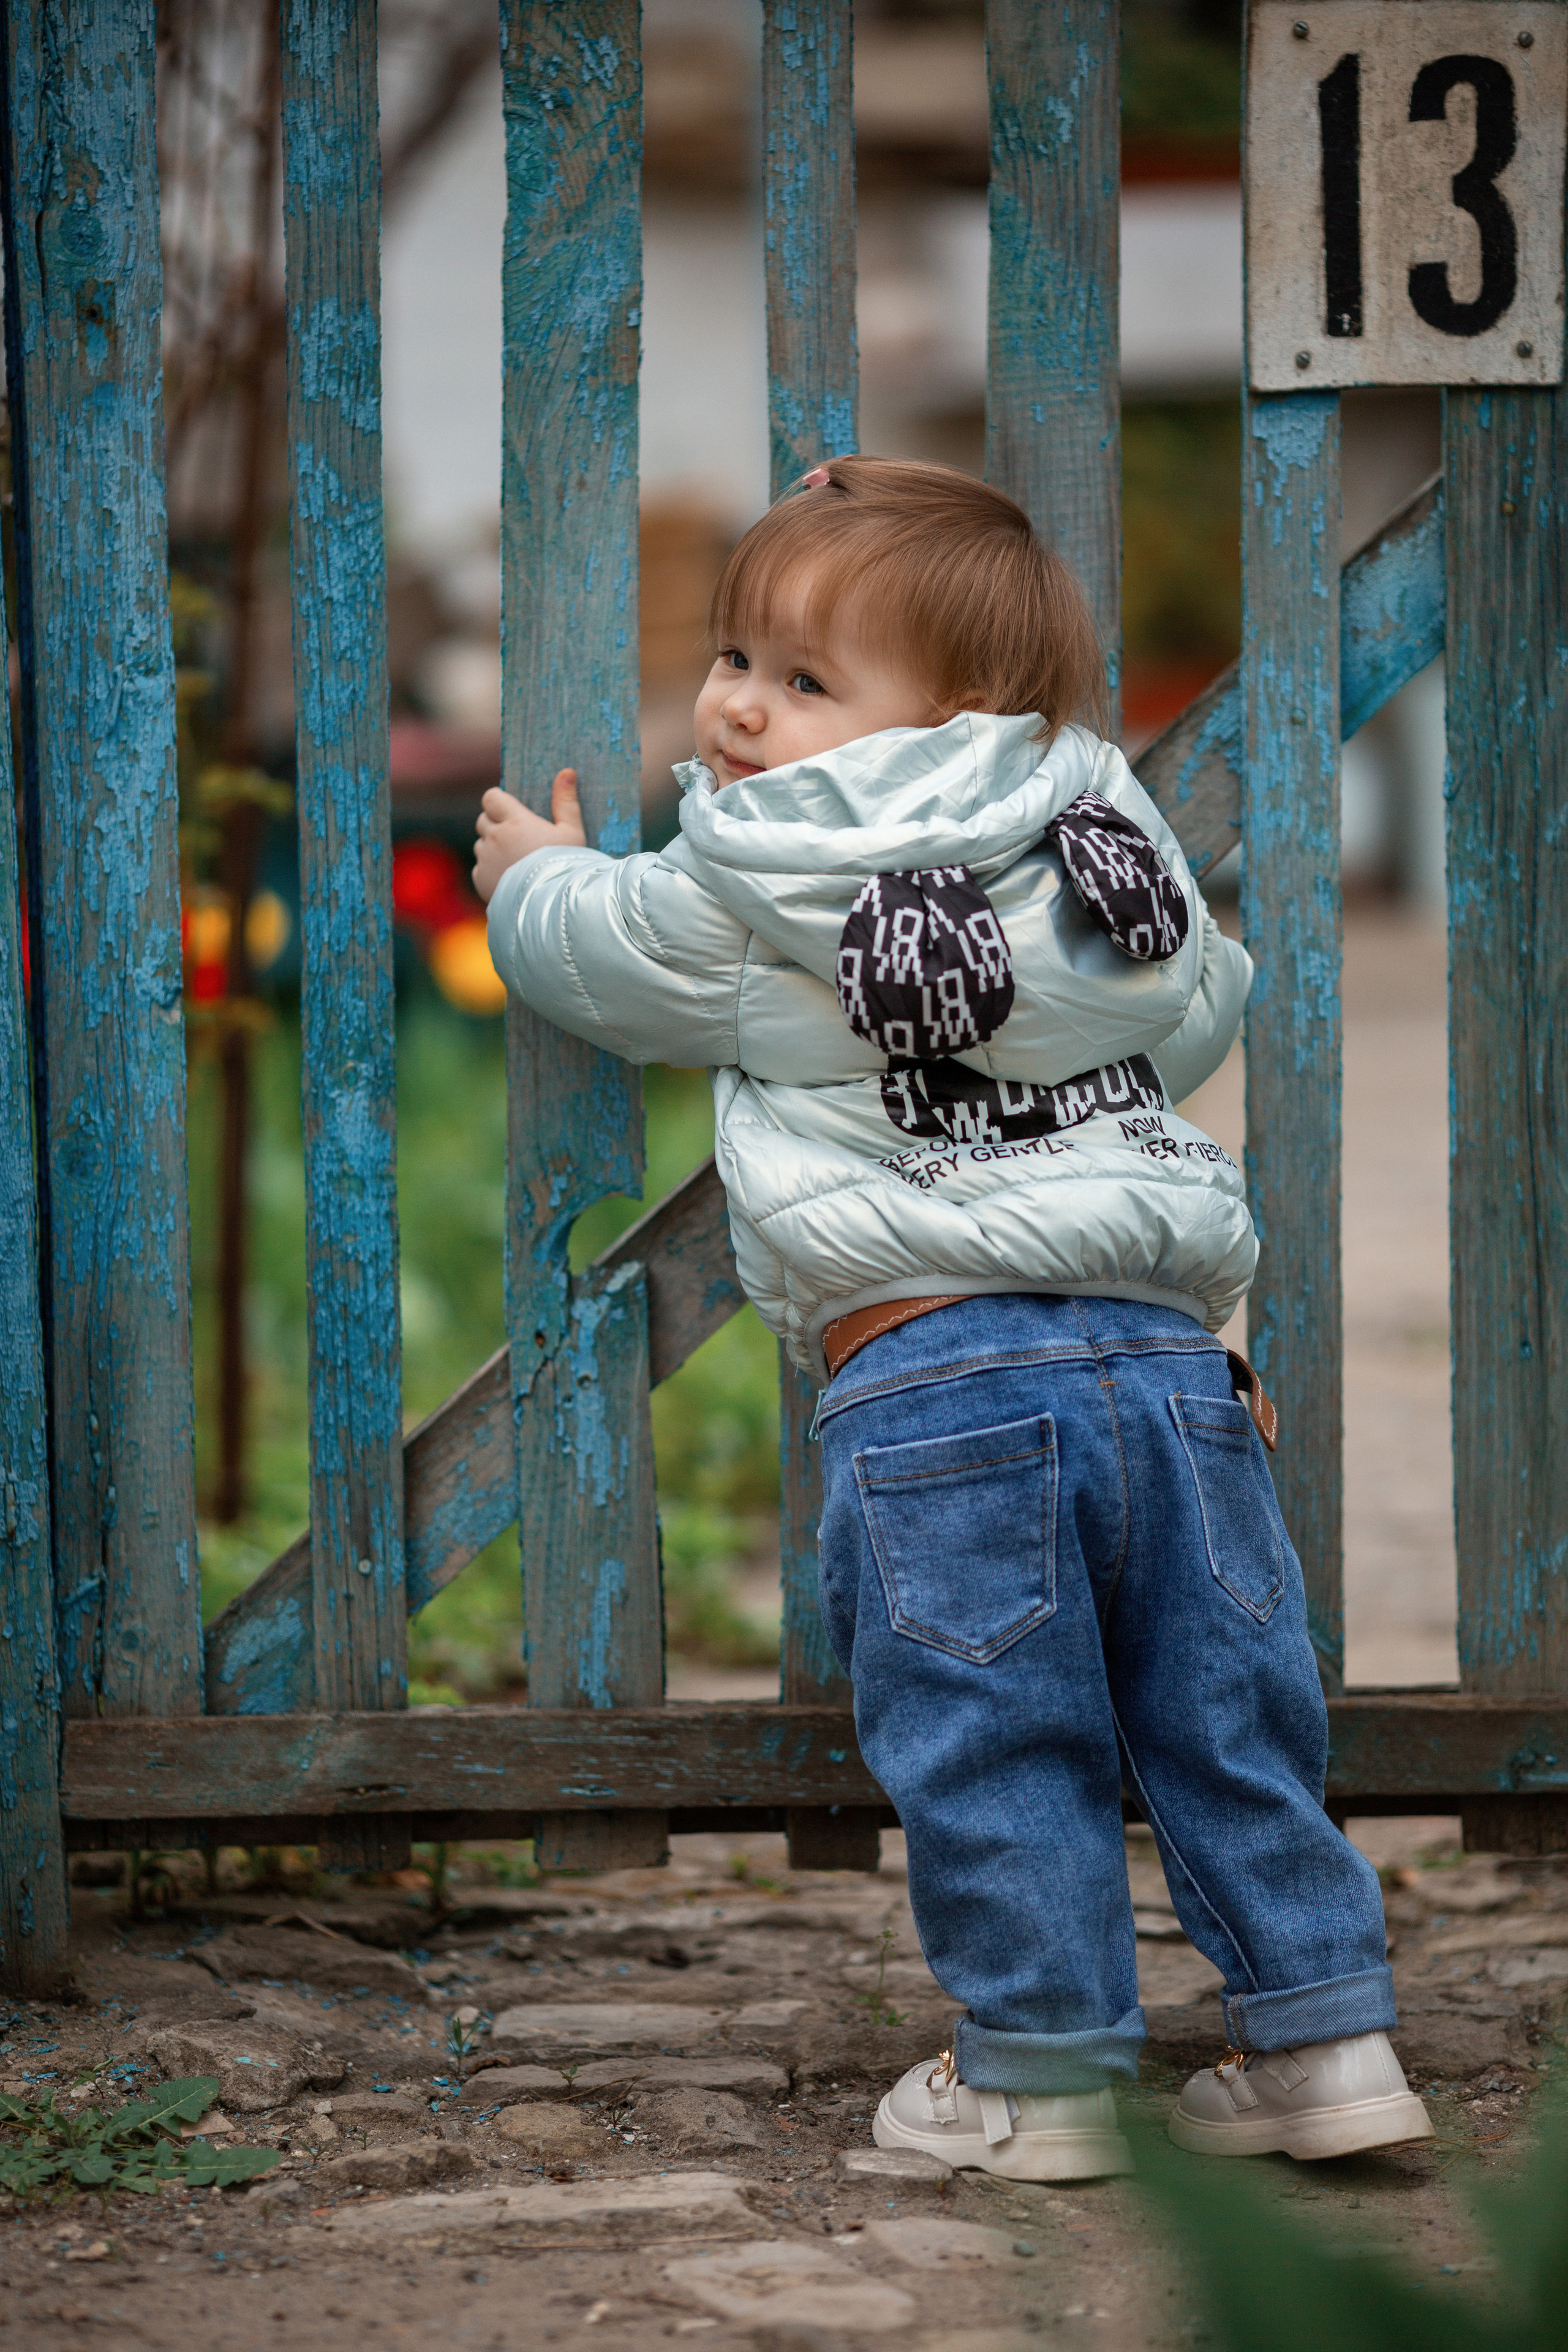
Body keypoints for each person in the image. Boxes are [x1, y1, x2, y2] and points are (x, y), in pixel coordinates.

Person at [473, 456, 1431, 2182]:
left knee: (998, 1733)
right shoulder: (1097, 834)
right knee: (1229, 1719)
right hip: (1168, 1366)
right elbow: (1206, 1003)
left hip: (937, 1378)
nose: (743, 707)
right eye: (740, 656)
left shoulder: (752, 867)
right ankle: (1327, 2041)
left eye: (805, 678)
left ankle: (1042, 2078)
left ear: (952, 708)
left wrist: (535, 871)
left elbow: (604, 956)